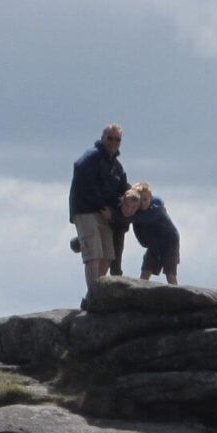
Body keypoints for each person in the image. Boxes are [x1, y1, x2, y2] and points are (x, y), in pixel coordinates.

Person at [68, 124, 130, 304]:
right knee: (93, 254)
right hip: (86, 210)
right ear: (103, 138)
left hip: (104, 214)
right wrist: (100, 205)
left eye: (117, 139)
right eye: (110, 138)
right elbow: (81, 173)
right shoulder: (92, 157)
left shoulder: (116, 167)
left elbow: (123, 189)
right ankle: (94, 297)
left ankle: (96, 293)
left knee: (108, 255)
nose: (113, 142)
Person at [130, 181, 180, 285]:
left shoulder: (156, 209)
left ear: (150, 198)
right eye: (140, 200)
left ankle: (176, 296)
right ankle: (140, 293)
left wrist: (132, 217)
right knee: (146, 270)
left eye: (145, 200)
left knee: (170, 273)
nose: (143, 203)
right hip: (154, 243)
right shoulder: (138, 214)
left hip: (169, 241)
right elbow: (139, 232)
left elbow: (146, 218)